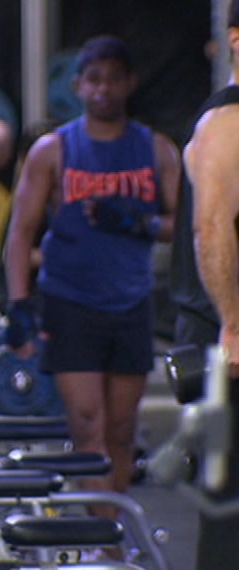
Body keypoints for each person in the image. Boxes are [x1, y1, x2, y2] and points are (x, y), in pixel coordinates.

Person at [4, 35, 181, 535]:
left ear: (129, 83)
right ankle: (101, 538)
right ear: (79, 85)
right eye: (94, 79)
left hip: (130, 301)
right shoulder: (53, 150)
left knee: (122, 430)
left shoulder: (156, 149)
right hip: (70, 301)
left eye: (113, 79)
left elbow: (181, 225)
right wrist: (18, 305)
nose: (104, 89)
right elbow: (19, 233)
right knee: (87, 423)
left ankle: (117, 533)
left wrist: (141, 222)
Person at [171, 1, 239, 566]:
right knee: (230, 510)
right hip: (225, 342)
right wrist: (234, 324)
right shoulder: (225, 122)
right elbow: (210, 225)